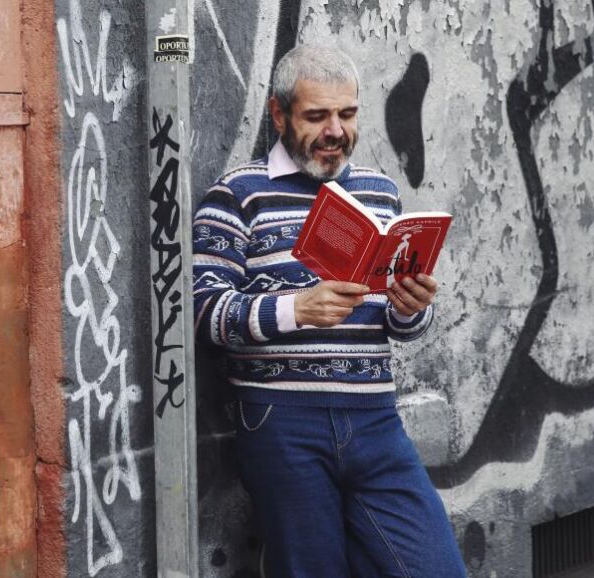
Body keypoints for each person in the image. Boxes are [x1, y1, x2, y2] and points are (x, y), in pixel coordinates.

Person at [192, 45, 468, 577]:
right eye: (317, 116)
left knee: (437, 568)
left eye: (347, 114)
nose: (335, 131)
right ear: (279, 114)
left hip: (376, 422)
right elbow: (205, 314)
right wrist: (296, 309)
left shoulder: (380, 193)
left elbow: (400, 324)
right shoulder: (237, 196)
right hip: (282, 423)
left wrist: (412, 308)